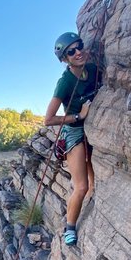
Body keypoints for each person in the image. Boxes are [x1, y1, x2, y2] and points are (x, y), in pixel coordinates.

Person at [44, 32, 100, 245]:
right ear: (65, 59)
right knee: (82, 186)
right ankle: (70, 228)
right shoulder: (65, 82)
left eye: (79, 47)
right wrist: (79, 115)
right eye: (71, 51)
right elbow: (48, 120)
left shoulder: (92, 69)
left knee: (94, 184)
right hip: (74, 132)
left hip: (93, 128)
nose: (78, 52)